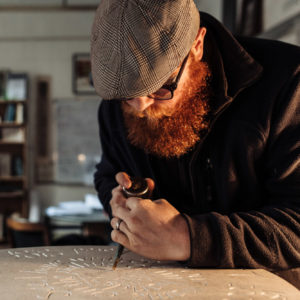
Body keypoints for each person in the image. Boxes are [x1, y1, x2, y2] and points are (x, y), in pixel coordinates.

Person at [91, 0, 300, 288]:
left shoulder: (289, 84)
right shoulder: (116, 107)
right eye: (127, 95)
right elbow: (107, 172)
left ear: (197, 45)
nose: (140, 108)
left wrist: (188, 237)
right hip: (159, 287)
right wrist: (120, 202)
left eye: (161, 86)